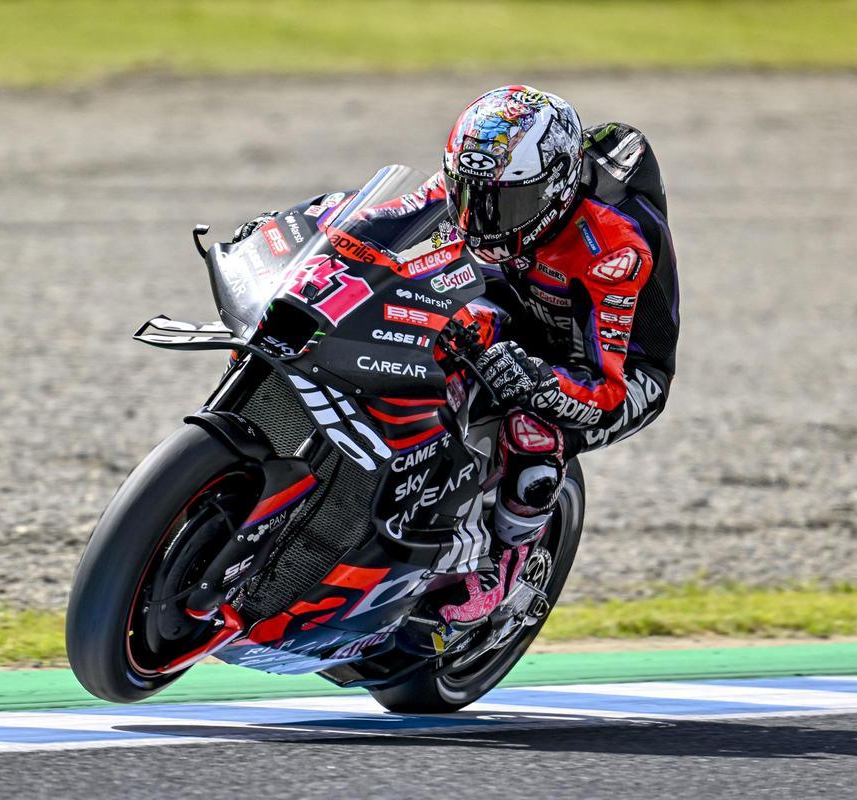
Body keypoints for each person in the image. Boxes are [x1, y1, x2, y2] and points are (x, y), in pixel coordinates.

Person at [233, 85, 679, 626]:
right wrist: (293, 229)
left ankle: (506, 566)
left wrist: (536, 381)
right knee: (426, 329)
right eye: (469, 194)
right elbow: (378, 220)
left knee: (533, 430)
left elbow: (604, 389)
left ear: (556, 190)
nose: (481, 217)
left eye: (506, 203)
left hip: (617, 370)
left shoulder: (611, 249)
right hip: (519, 300)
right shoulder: (477, 190)